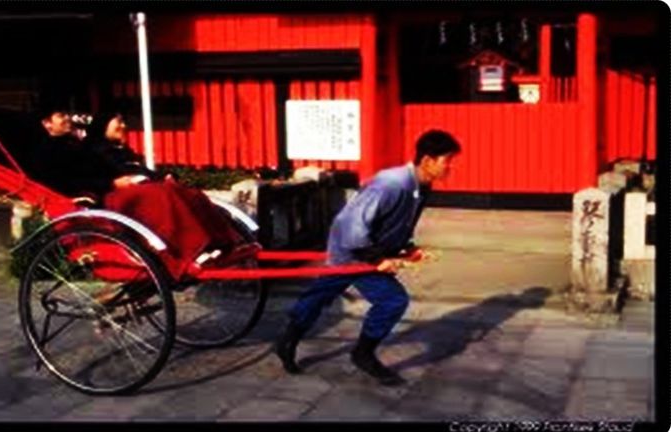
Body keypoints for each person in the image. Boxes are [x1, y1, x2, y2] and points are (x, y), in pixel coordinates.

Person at [275, 130, 461, 386]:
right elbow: (354, 225)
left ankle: (288, 339)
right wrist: (377, 260)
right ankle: (362, 353)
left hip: (367, 249)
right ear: (428, 160)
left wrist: (406, 248)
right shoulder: (391, 184)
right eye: (447, 159)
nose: (451, 166)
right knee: (392, 300)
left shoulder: (421, 186)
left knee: (320, 295)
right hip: (353, 249)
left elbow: (395, 222)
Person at [80, 111, 248, 280]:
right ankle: (190, 252)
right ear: (103, 125)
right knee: (163, 195)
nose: (123, 126)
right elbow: (87, 179)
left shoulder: (121, 150)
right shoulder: (91, 151)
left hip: (138, 189)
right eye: (118, 122)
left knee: (190, 193)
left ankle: (221, 242)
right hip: (117, 196)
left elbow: (141, 171)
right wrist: (112, 183)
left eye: (123, 121)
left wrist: (164, 176)